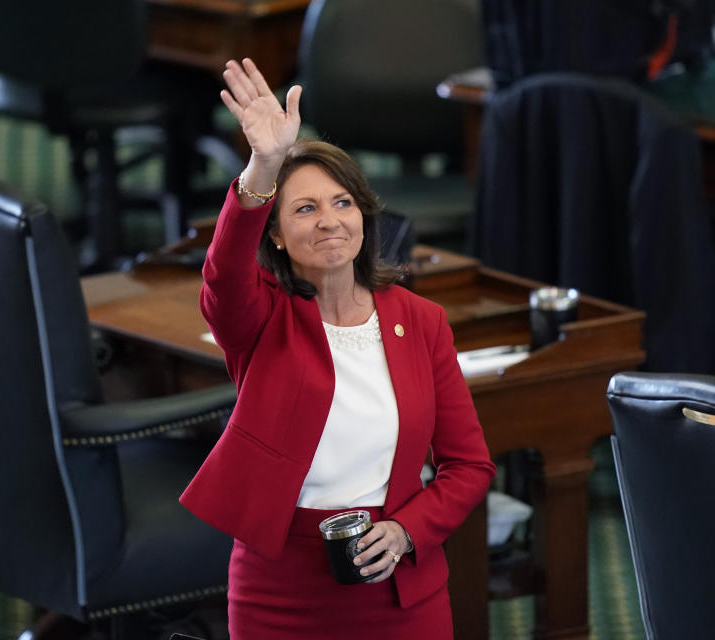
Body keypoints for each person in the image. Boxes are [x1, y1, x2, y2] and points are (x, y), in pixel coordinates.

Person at [179, 58, 496, 639]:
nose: (329, 221)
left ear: (363, 217)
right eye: (305, 209)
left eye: (342, 203)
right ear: (275, 233)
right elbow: (222, 275)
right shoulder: (262, 321)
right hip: (278, 588)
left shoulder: (421, 322)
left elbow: (469, 466)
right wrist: (264, 165)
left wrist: (406, 530)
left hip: (397, 583)